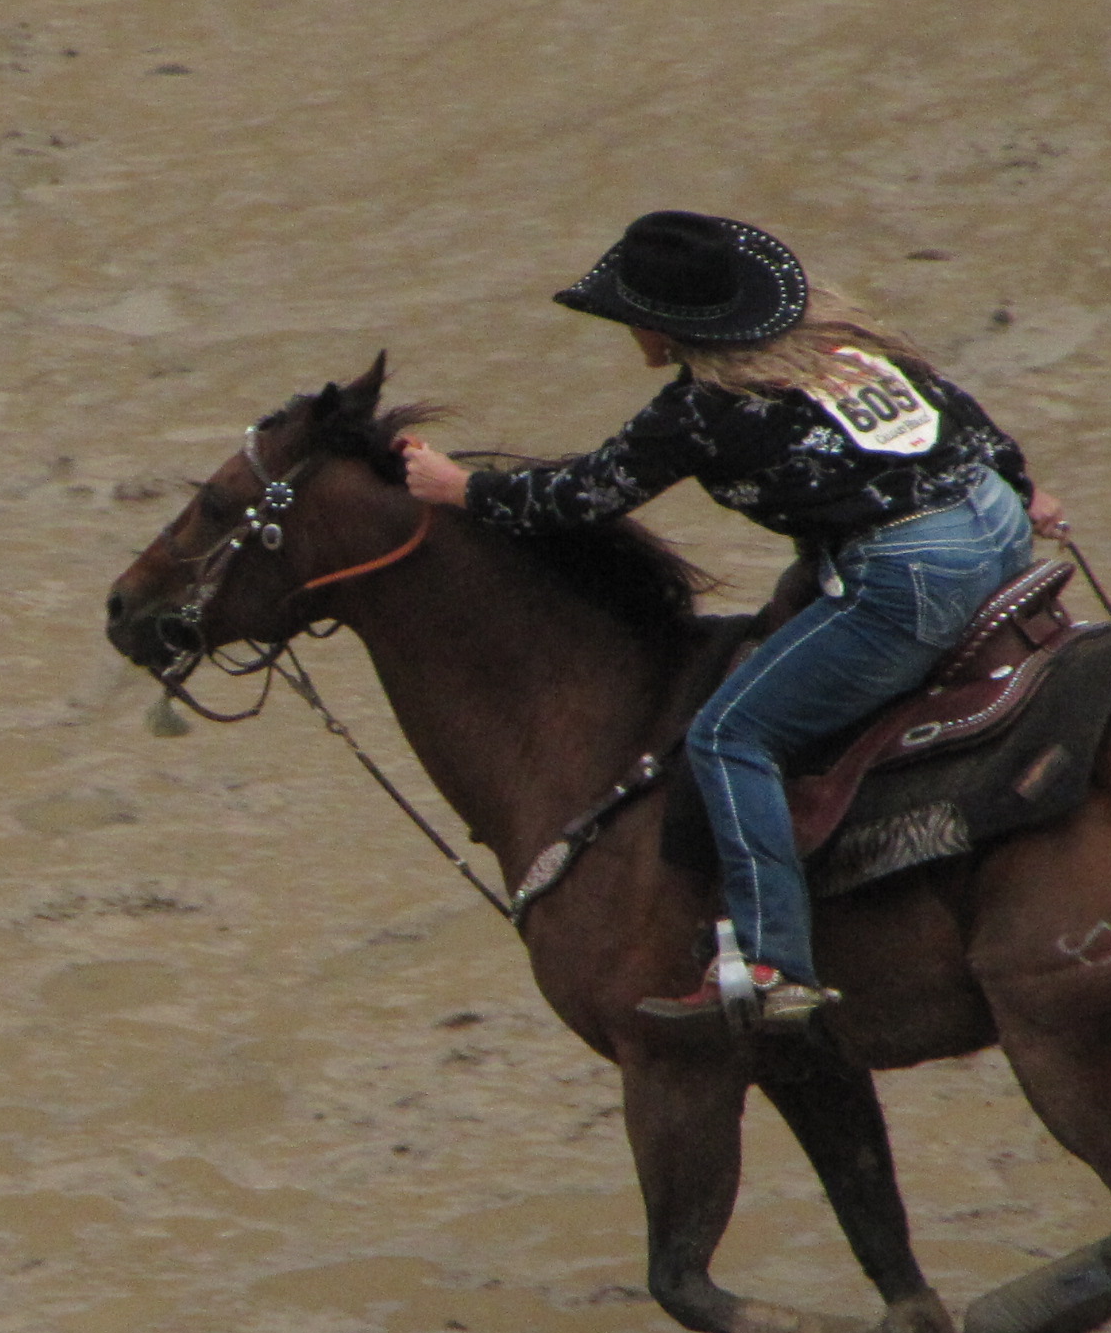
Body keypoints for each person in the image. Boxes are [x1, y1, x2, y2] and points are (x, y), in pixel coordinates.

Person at [397, 210, 1068, 1029]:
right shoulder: (847, 351)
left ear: (664, 325)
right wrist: (1023, 489)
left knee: (728, 735)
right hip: (996, 523)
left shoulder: (704, 409)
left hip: (916, 574)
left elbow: (585, 495)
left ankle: (772, 960)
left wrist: (460, 488)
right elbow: (967, 420)